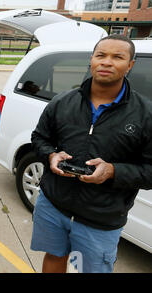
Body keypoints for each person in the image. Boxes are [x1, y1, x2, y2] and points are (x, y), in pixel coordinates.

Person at [30, 34, 152, 273]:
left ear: (130, 65)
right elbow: (39, 138)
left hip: (101, 217)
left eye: (117, 57)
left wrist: (113, 171)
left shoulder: (146, 114)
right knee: (54, 257)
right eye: (101, 55)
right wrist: (50, 156)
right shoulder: (63, 101)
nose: (107, 62)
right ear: (91, 61)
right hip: (53, 203)